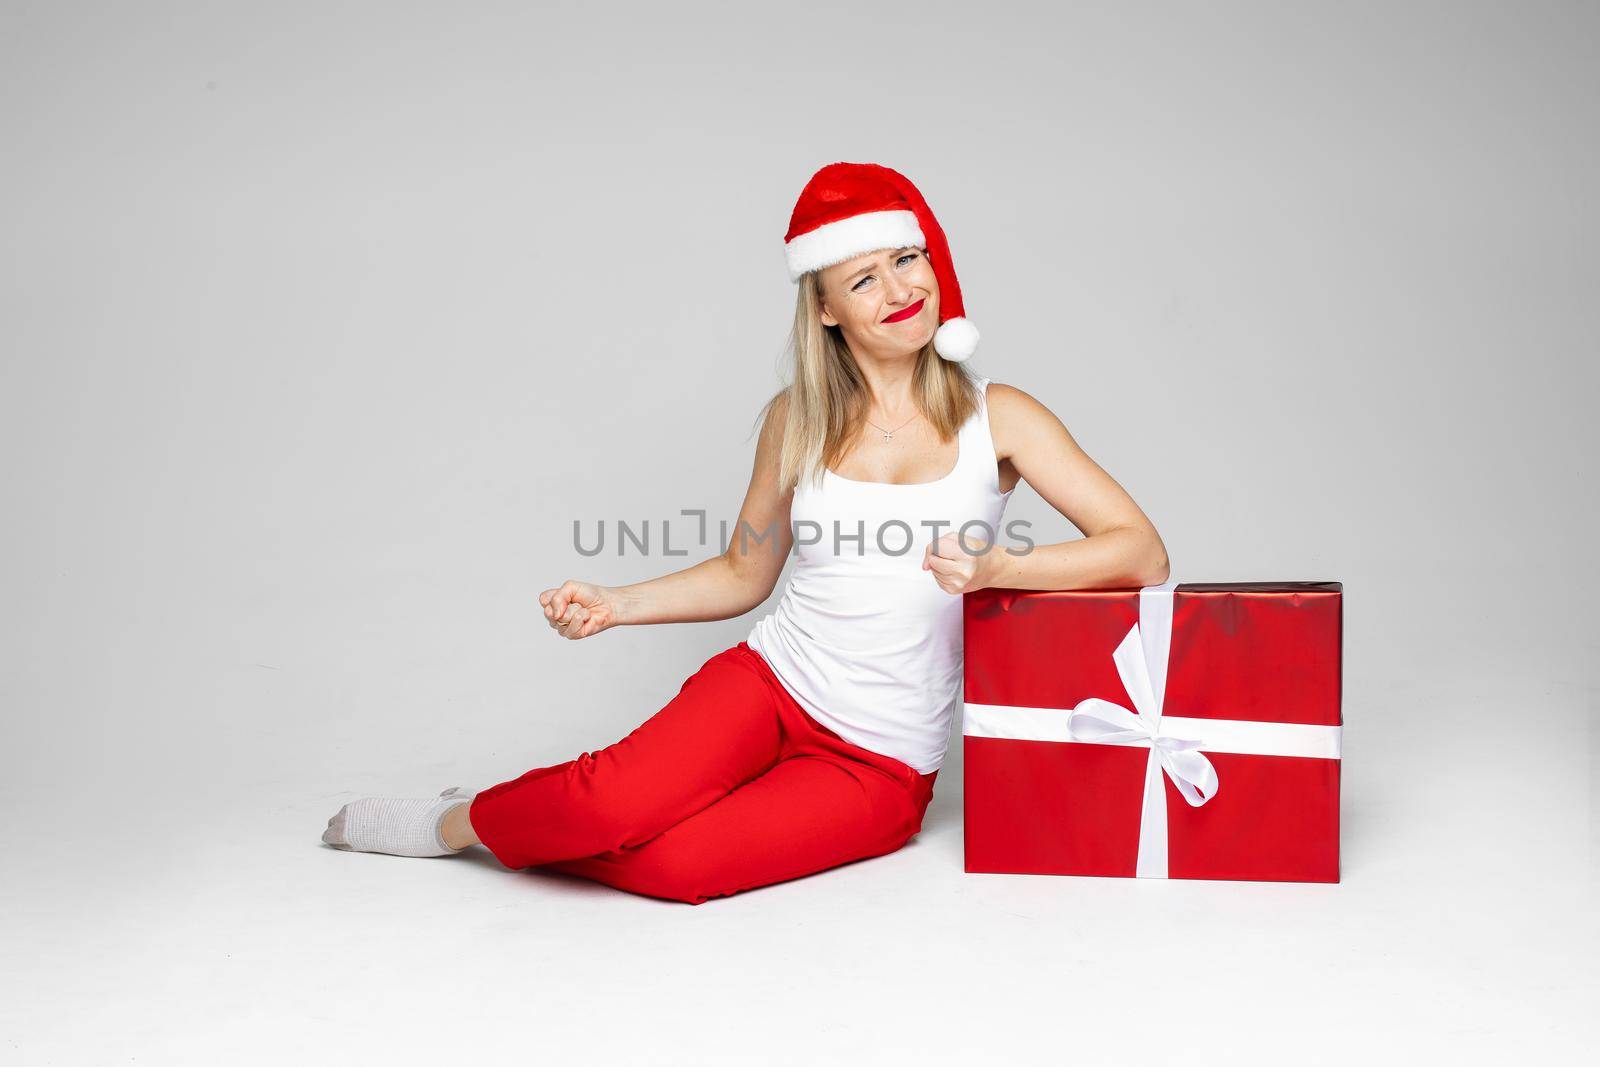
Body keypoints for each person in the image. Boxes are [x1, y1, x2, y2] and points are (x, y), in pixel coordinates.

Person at [320, 161, 1169, 904]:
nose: (900, 289)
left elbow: (1140, 548)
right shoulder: (795, 420)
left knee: (675, 866)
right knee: (606, 810)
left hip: (879, 759)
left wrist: (1000, 570)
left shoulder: (1002, 416)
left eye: (906, 259)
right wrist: (617, 603)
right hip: (769, 686)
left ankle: (535, 821)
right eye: (864, 278)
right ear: (827, 309)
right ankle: (459, 819)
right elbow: (742, 573)